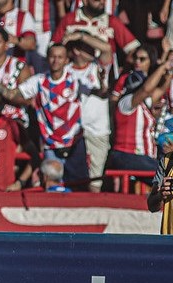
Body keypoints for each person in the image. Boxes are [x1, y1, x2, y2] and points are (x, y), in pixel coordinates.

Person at [0, 43, 88, 189]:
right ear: (47, 58)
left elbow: (101, 90)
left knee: (80, 187)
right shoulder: (39, 81)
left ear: (67, 60)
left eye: (60, 57)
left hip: (74, 144)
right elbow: (13, 94)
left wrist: (103, 80)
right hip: (51, 146)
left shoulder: (76, 79)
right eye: (52, 56)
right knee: (51, 188)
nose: (56, 60)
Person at [65, 31, 111, 192]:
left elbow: (106, 49)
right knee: (69, 179)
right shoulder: (64, 70)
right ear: (76, 50)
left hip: (97, 131)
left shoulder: (98, 67)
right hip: (69, 132)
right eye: (88, 47)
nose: (94, 51)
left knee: (95, 181)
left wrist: (81, 36)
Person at [50, 0, 138, 78]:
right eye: (97, 0)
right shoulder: (69, 19)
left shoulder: (111, 21)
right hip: (72, 73)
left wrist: (124, 72)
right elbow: (53, 48)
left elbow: (133, 48)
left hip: (103, 72)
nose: (102, 2)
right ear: (85, 1)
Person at [111, 64, 173, 174]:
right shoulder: (126, 103)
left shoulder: (142, 103)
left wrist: (171, 70)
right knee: (167, 176)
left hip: (142, 158)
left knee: (170, 173)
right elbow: (145, 90)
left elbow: (162, 89)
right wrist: (163, 66)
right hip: (128, 155)